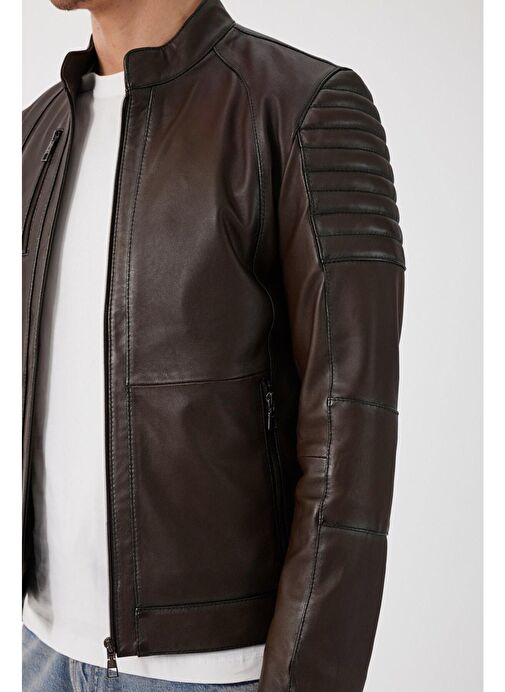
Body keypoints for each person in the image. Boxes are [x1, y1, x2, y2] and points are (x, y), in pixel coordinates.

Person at [22, 0, 405, 690]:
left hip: (213, 672)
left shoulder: (300, 108)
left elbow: (350, 441)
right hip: (36, 650)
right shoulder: (33, 133)